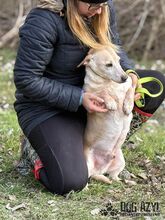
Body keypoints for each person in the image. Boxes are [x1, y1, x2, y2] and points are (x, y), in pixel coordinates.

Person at [14, 0, 165, 195]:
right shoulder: (42, 21)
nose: (101, 10)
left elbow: (114, 47)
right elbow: (26, 80)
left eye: (103, 3)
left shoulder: (101, 8)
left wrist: (130, 73)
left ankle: (106, 145)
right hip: (50, 108)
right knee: (70, 182)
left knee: (154, 82)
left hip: (98, 93)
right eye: (94, 5)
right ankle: (36, 152)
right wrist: (79, 97)